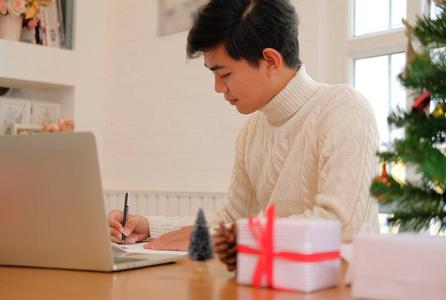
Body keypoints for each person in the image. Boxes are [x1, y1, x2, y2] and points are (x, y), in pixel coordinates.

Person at [108, 0, 380, 250]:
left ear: (271, 61)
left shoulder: (346, 109)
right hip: (281, 283)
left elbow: (341, 227)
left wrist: (222, 237)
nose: (218, 87)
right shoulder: (253, 130)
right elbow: (231, 218)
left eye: (224, 73)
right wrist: (150, 228)